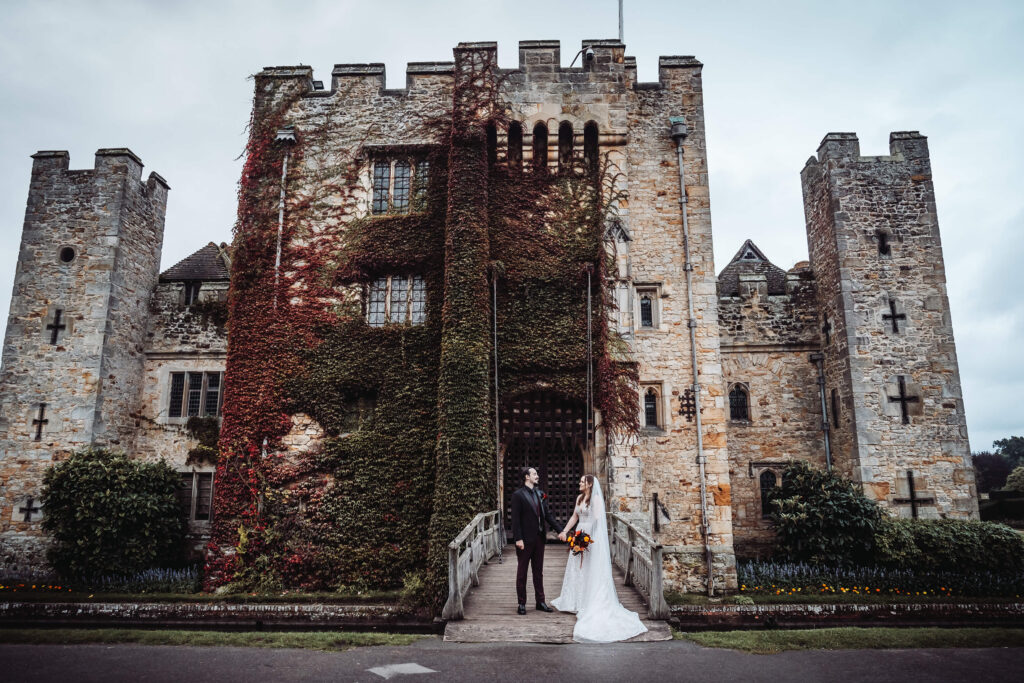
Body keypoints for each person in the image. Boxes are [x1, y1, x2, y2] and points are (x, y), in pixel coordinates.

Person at [551, 474, 648, 642]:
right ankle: (574, 600)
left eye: (582, 481)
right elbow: (575, 516)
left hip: (590, 537)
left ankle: (587, 600)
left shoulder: (595, 499)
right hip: (580, 533)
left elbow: (597, 520)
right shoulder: (580, 498)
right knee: (578, 567)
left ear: (589, 484)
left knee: (590, 568)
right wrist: (566, 531)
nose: (579, 483)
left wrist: (586, 538)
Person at [510, 466, 562, 615]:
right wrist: (518, 538)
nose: (537, 476)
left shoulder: (540, 494)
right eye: (534, 474)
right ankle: (521, 603)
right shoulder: (517, 495)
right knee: (522, 572)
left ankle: (540, 601)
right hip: (524, 540)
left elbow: (548, 516)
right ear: (527, 477)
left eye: (537, 473)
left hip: (539, 539)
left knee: (538, 572)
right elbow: (515, 520)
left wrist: (561, 531)